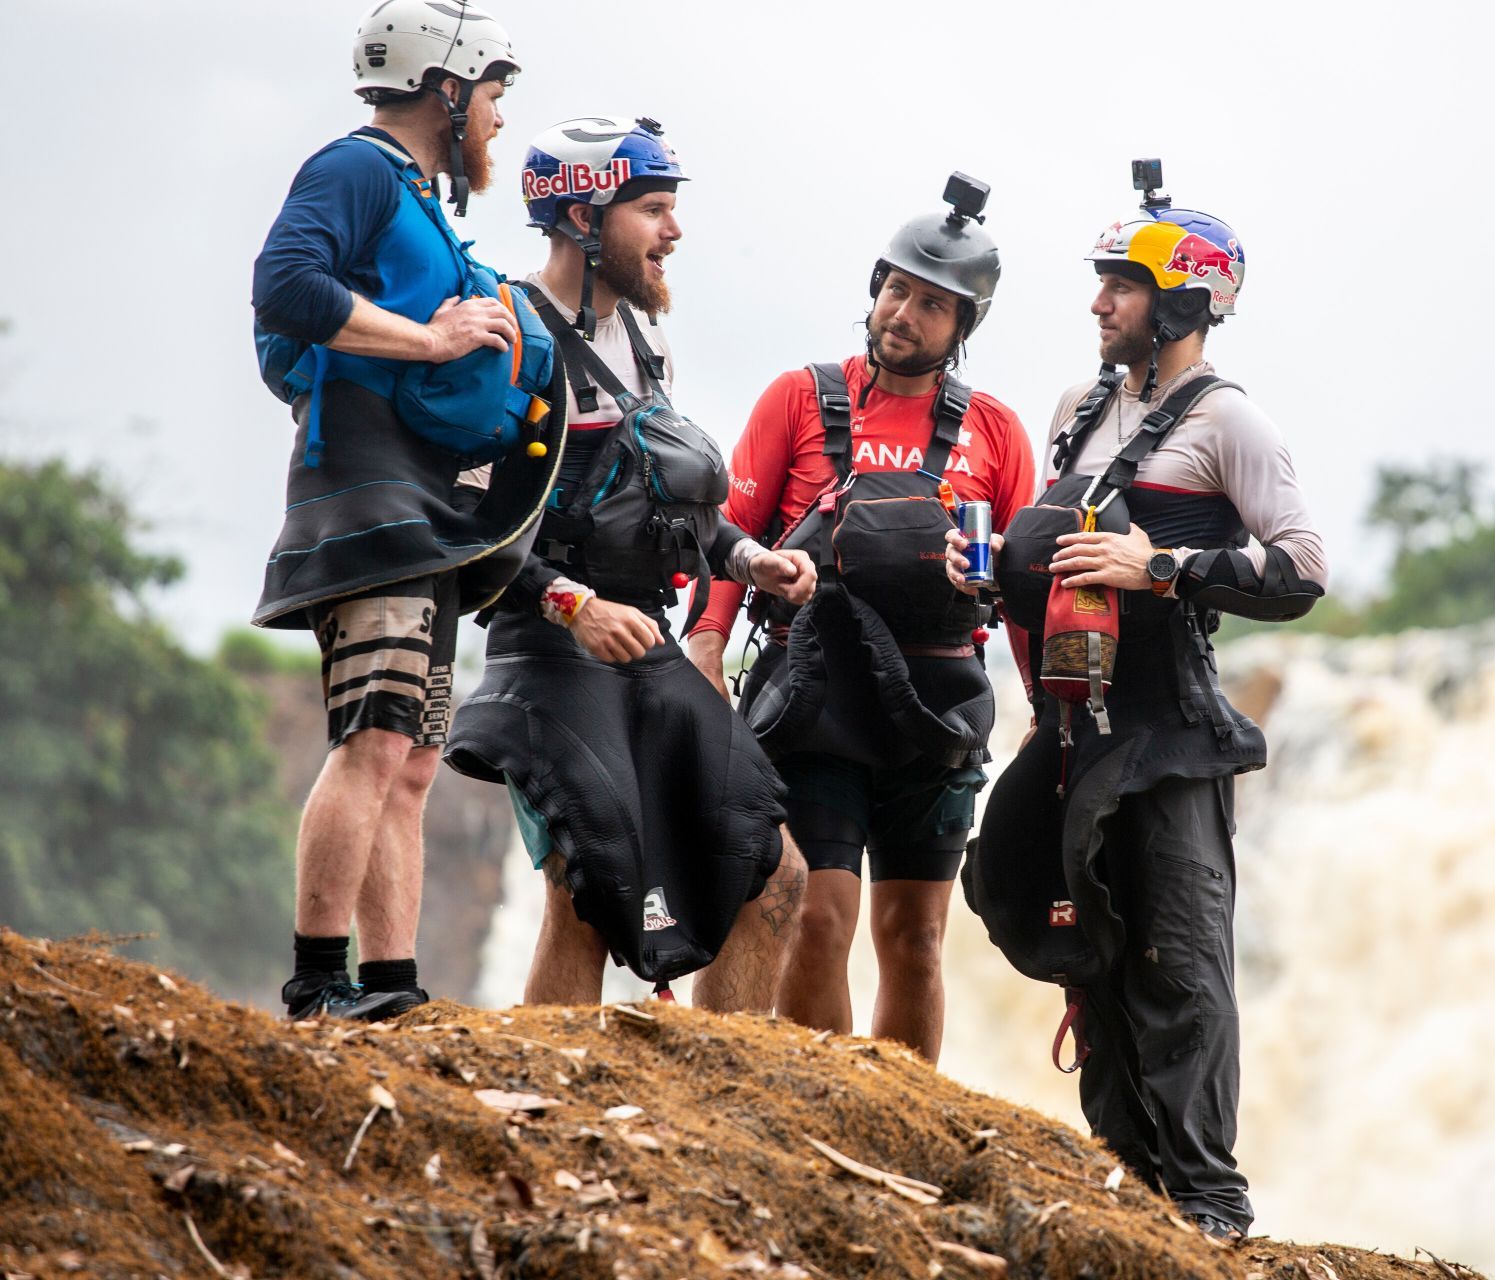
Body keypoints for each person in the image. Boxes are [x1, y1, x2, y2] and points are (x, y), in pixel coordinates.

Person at [956, 166, 1328, 1240]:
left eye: (1118, 284)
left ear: (1177, 302)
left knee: (1180, 954)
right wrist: (985, 569)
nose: (1097, 304)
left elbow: (1302, 570)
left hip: (1170, 731)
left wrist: (1160, 563)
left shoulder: (1232, 423)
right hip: (1074, 726)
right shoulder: (1078, 411)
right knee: (1066, 927)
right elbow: (1055, 560)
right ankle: (1126, 1174)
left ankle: (1209, 1201)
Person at [444, 118, 816, 1011]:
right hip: (549, 646)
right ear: (581, 216)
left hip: (641, 644)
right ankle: (544, 1112)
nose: (674, 233)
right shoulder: (509, 332)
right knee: (585, 892)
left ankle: (718, 1095)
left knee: (773, 869)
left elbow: (675, 501)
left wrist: (747, 555)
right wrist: (572, 604)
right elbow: (464, 519)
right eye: (653, 210)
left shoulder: (643, 345)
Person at [250, 0, 557, 1022]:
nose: (499, 121)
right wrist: (428, 342)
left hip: (422, 510)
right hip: (365, 501)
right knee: (375, 739)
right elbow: (283, 283)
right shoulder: (357, 170)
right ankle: (317, 981)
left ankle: (389, 987)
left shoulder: (420, 199)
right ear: (448, 87)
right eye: (495, 97)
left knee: (416, 757)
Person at [685, 176, 1035, 1064]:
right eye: (895, 290)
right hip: (814, 696)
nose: (904, 314)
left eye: (930, 304)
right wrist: (708, 643)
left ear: (964, 327)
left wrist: (1047, 714)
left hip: (938, 701)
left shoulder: (995, 432)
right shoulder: (799, 399)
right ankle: (822, 1110)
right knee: (817, 914)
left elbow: (1026, 587)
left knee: (915, 938)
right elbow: (732, 531)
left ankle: (900, 1121)